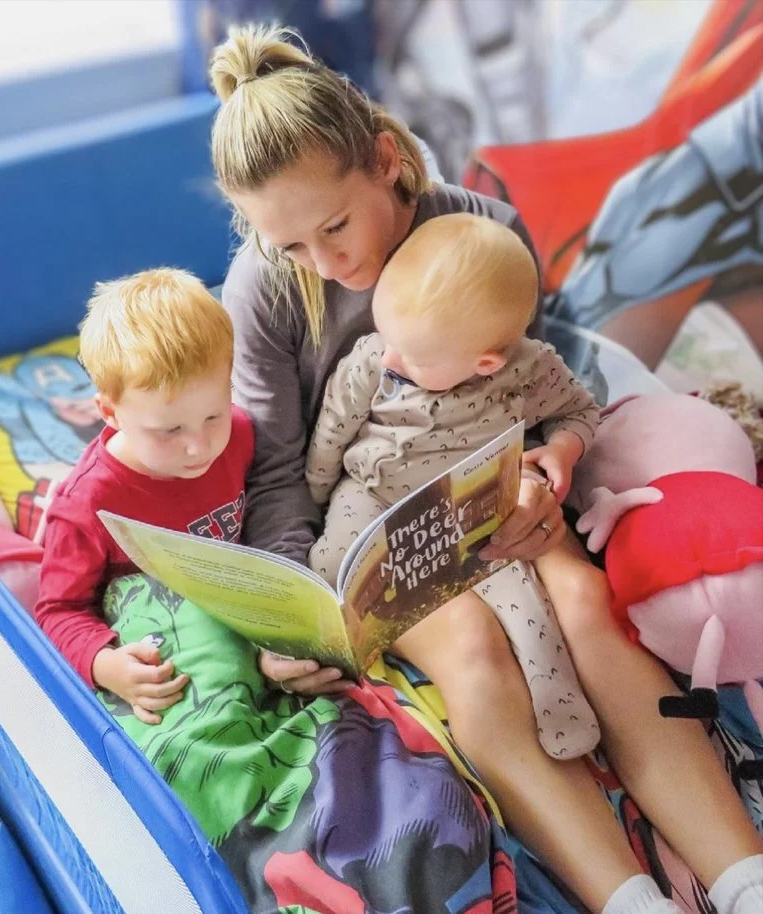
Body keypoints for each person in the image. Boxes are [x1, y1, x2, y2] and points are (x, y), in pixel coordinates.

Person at [211, 23, 763, 914]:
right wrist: (293, 609)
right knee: (472, 649)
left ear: (387, 160)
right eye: (292, 245)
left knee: (586, 606)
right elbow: (276, 473)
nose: (327, 260)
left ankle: (745, 877)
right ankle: (630, 900)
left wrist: (552, 475)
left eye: (336, 226)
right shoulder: (267, 291)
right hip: (377, 524)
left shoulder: (484, 229)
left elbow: (533, 390)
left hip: (492, 489)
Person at [306, 212, 601, 761]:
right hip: (373, 491)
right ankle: (326, 672)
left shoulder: (529, 371)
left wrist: (563, 449)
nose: (389, 357)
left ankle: (557, 697)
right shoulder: (376, 355)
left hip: (471, 503)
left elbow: (581, 412)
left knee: (524, 602)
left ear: (485, 362)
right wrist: (317, 491)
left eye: (410, 357)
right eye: (386, 335)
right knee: (331, 567)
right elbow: (331, 431)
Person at [35, 268, 253, 724]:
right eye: (169, 430)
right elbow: (58, 611)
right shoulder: (88, 504)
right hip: (163, 641)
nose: (199, 446)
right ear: (109, 413)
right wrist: (104, 665)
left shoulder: (242, 432)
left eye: (214, 415)